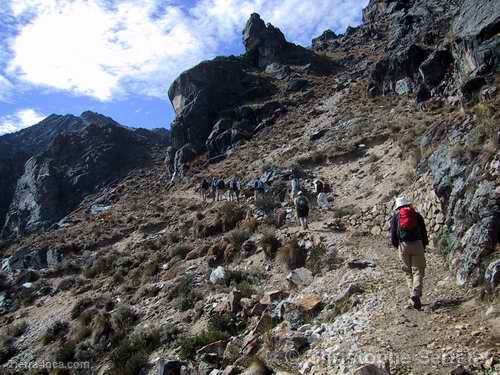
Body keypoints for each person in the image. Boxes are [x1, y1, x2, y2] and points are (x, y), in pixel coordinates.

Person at [390, 197, 429, 310]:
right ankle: (415, 293)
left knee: (408, 272)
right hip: (417, 244)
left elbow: (393, 235)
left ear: (398, 207)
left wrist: (397, 246)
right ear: (408, 204)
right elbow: (423, 232)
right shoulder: (417, 215)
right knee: (418, 271)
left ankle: (413, 296)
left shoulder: (396, 217)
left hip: (403, 246)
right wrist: (424, 245)